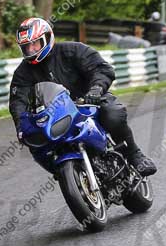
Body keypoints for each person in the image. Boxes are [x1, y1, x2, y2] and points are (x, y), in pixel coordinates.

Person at [8, 17, 157, 176]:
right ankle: (62, 172)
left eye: (35, 44)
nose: (31, 50)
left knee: (112, 113)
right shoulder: (22, 73)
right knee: (34, 140)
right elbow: (18, 101)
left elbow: (101, 68)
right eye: (26, 47)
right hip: (54, 115)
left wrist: (96, 90)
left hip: (89, 102)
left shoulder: (72, 50)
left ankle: (134, 154)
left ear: (47, 38)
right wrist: (21, 124)